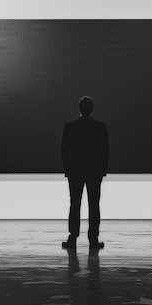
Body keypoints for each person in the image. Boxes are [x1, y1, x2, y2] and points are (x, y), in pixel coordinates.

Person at [61, 96, 109, 249]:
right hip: (94, 170)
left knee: (75, 204)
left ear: (79, 109)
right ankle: (93, 239)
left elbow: (64, 150)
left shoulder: (70, 126)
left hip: (75, 169)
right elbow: (105, 151)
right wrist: (102, 170)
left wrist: (67, 168)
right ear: (92, 109)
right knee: (94, 204)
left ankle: (73, 238)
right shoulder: (100, 127)